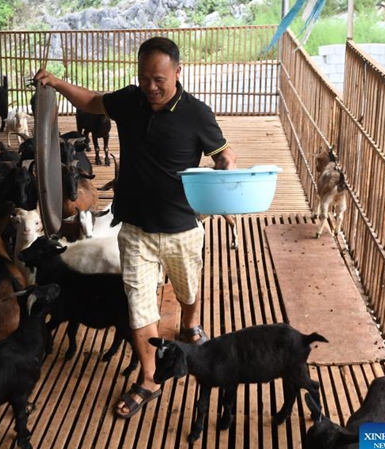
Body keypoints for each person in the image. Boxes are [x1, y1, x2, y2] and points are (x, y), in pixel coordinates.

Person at [34, 36, 237, 419]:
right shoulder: (129, 101)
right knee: (140, 308)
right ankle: (149, 377)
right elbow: (94, 102)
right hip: (135, 230)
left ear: (178, 72)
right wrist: (58, 83)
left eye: (159, 79)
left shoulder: (197, 114)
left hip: (182, 228)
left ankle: (190, 325)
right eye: (144, 77)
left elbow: (224, 155)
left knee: (187, 289)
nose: (151, 86)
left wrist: (224, 181)